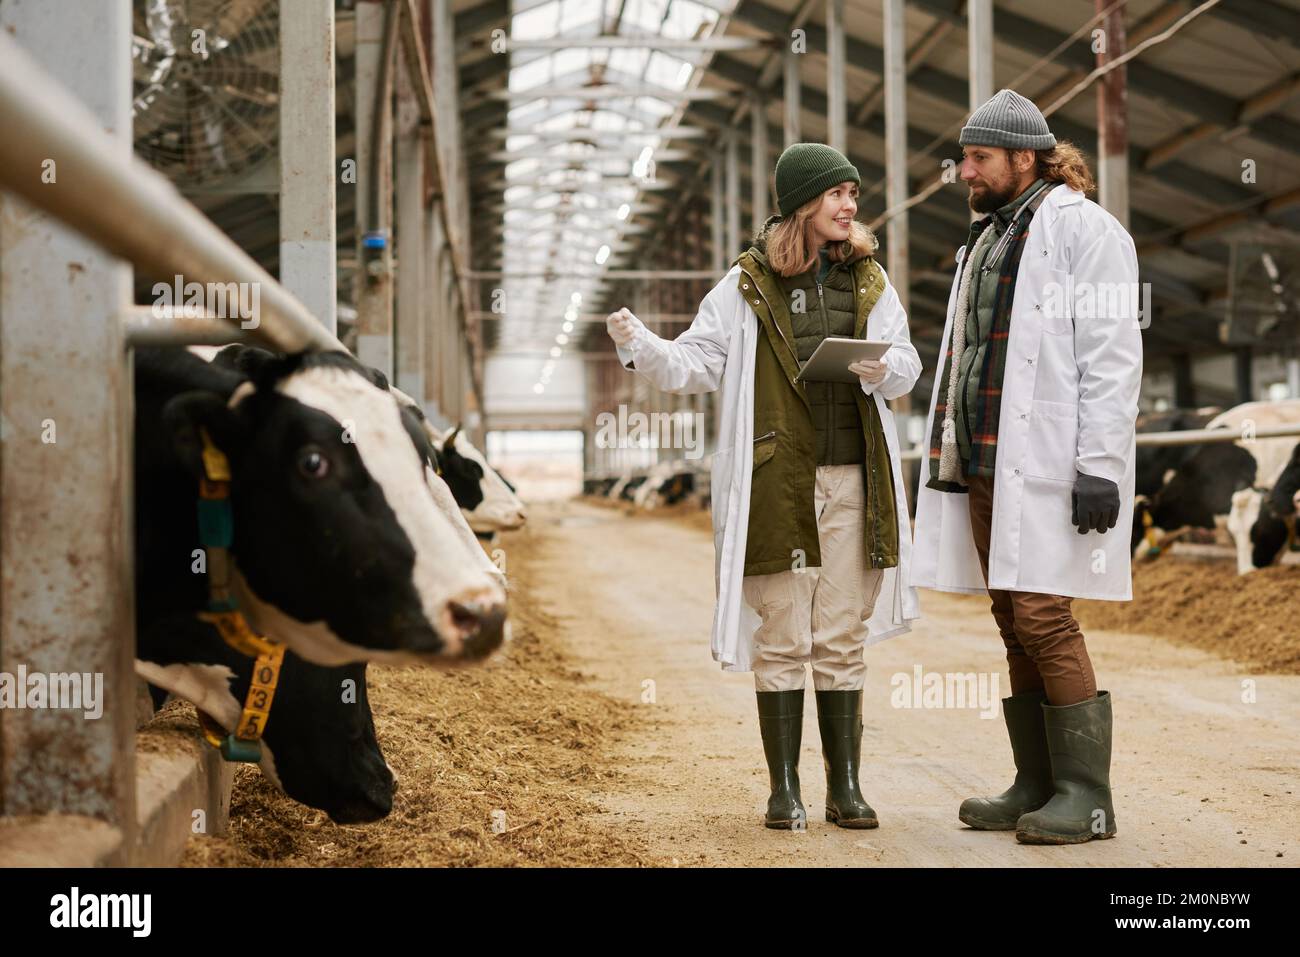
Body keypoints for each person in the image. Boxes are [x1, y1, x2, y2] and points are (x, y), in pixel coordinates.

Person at [605, 143, 922, 829]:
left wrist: (878, 369)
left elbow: (908, 363)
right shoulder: (745, 284)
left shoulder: (870, 280)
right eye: (837, 194)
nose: (849, 206)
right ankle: (785, 788)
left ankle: (846, 787)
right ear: (803, 203)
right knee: (782, 632)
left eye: (853, 196)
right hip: (778, 482)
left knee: (841, 634)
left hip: (854, 480)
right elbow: (695, 363)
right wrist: (642, 346)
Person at [909, 89, 1143, 844]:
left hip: (1047, 459)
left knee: (1045, 614)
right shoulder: (987, 237)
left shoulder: (1085, 230)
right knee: (1010, 618)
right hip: (985, 458)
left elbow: (1113, 352)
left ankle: (1087, 792)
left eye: (977, 158)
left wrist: (1101, 463)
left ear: (1022, 157)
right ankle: (1037, 780)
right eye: (965, 157)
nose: (965, 170)